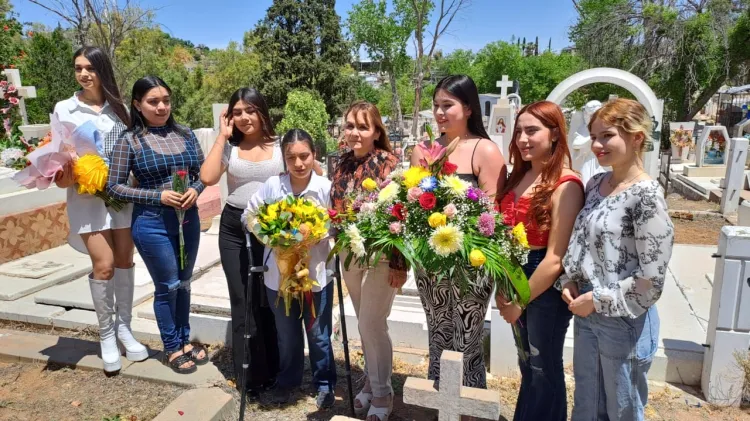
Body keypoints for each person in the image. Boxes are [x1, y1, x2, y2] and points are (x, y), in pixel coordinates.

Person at [560, 98, 674, 421]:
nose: (596, 144)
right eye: (594, 136)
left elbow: (651, 282)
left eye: (607, 135)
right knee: (586, 406)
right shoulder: (597, 184)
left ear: (636, 136)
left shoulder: (647, 196)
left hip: (624, 323)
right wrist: (568, 277)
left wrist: (597, 300)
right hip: (587, 315)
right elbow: (581, 239)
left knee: (621, 413)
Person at [53, 46, 148, 374]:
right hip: (86, 199)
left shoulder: (119, 109)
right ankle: (106, 334)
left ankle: (125, 328)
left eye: (90, 67)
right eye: (78, 67)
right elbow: (60, 160)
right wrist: (65, 175)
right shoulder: (64, 109)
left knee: (124, 261)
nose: (83, 74)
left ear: (102, 70)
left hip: (121, 197)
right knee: (104, 265)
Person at [410, 74, 506, 389]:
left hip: (471, 265)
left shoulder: (485, 151)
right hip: (430, 262)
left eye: (447, 105)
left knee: (467, 336)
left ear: (467, 108)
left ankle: (469, 405)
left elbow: (492, 216)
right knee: (438, 329)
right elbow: (412, 203)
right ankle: (440, 401)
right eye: (436, 105)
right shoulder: (423, 152)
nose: (439, 112)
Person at [107, 76, 206, 374]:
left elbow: (202, 173)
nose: (161, 107)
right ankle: (172, 347)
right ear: (138, 104)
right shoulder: (130, 140)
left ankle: (185, 339)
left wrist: (196, 189)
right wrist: (158, 196)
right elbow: (115, 187)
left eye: (166, 100)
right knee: (168, 285)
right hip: (152, 223)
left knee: (185, 283)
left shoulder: (186, 133)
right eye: (153, 101)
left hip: (188, 219)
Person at [496, 101, 584, 421]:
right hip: (512, 277)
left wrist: (519, 299)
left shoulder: (566, 184)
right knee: (527, 366)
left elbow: (555, 258)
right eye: (519, 131)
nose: (522, 138)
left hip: (542, 286)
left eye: (532, 130)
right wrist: (502, 288)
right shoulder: (518, 177)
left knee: (543, 366)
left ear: (555, 134)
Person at [243, 129, 336, 409]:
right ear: (283, 158)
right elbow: (249, 215)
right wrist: (273, 237)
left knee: (318, 333)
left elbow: (335, 221)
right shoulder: (273, 185)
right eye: (291, 157)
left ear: (314, 155)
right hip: (278, 276)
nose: (298, 163)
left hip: (315, 275)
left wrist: (319, 233)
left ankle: (324, 382)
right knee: (287, 334)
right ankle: (288, 380)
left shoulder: (324, 187)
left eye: (304, 156)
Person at [200, 88, 281, 397]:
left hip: (274, 229)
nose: (244, 117)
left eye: (250, 110)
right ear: (229, 117)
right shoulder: (230, 148)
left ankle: (275, 368)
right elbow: (207, 177)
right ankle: (249, 375)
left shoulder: (280, 144)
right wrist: (222, 136)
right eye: (237, 112)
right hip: (235, 228)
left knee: (270, 300)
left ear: (262, 111)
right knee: (242, 299)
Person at [330, 101, 403, 421]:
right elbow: (335, 208)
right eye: (350, 125)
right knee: (364, 322)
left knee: (371, 322)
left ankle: (384, 395)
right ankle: (372, 385)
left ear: (376, 131)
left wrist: (401, 262)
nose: (354, 132)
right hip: (349, 252)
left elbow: (403, 215)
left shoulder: (390, 163)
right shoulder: (342, 162)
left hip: (381, 254)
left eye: (362, 126)